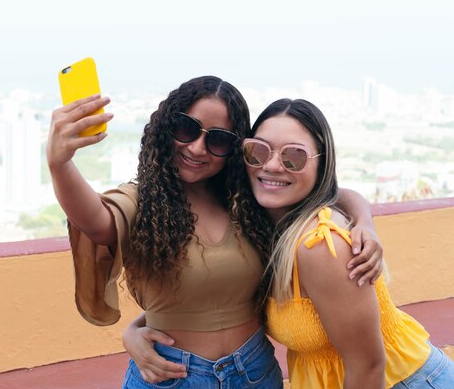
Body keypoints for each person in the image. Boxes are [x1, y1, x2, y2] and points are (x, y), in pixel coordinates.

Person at [47, 76, 383, 389]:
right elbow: (94, 220)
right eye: (186, 128)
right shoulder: (143, 201)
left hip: (254, 372)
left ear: (236, 148)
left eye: (218, 140)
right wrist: (60, 163)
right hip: (170, 375)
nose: (197, 147)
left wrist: (363, 222)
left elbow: (326, 192)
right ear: (166, 128)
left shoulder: (246, 200)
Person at [125, 98, 454, 388]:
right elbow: (217, 295)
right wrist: (135, 331)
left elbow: (368, 367)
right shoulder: (260, 223)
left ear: (321, 164)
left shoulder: (320, 245)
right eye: (258, 150)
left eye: (294, 157)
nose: (271, 165)